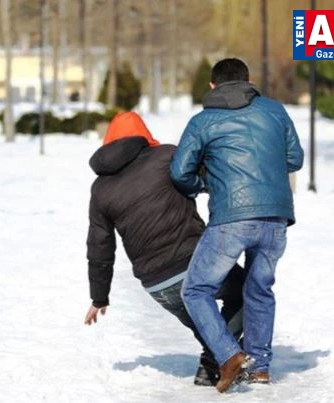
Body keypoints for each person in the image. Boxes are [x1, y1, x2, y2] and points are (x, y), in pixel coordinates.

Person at [170, 58, 304, 393]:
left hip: (231, 218)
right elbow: (295, 159)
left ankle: (228, 354)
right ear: (248, 81)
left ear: (212, 85)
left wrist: (204, 183)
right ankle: (259, 367)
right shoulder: (274, 111)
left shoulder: (202, 121)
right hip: (276, 216)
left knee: (196, 289)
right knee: (259, 289)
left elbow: (179, 172)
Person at [85, 111, 246, 386]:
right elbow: (211, 178)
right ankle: (214, 360)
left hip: (156, 283)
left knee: (207, 326)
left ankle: (212, 366)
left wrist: (99, 297)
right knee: (248, 292)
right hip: (196, 262)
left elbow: (99, 246)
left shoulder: (100, 188)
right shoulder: (167, 157)